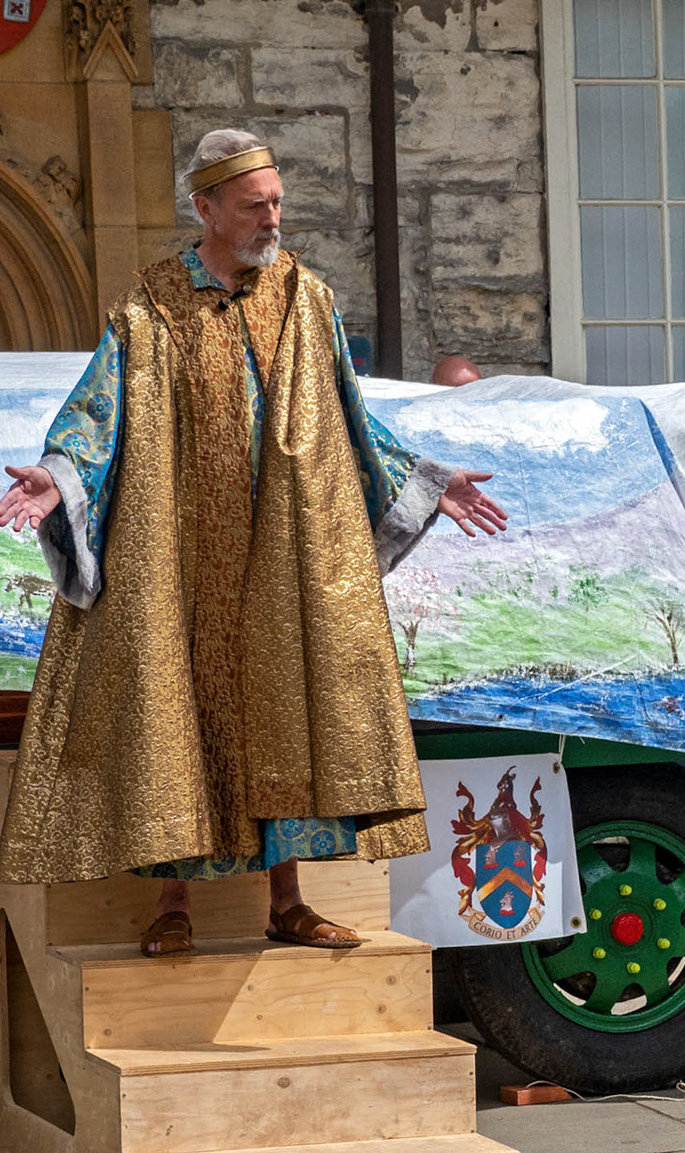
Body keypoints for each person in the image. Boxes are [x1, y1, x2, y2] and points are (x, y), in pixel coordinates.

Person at [0, 128, 507, 956]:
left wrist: (422, 477)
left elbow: (347, 414)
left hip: (282, 550)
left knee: (288, 711)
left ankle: (289, 900)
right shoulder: (152, 305)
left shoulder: (307, 299)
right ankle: (172, 902)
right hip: (180, 558)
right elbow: (102, 408)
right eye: (253, 206)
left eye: (276, 202)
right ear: (205, 208)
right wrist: (62, 473)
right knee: (177, 716)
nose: (272, 218)